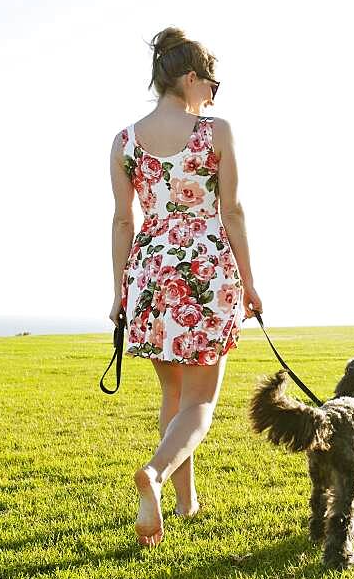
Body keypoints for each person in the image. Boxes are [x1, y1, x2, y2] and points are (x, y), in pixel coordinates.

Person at [108, 27, 263, 547]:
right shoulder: (215, 132)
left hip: (149, 274)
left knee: (172, 393)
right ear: (191, 78)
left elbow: (122, 223)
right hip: (205, 271)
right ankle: (153, 474)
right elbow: (233, 211)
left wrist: (118, 294)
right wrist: (250, 283)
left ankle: (185, 501)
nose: (215, 96)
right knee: (200, 403)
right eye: (212, 84)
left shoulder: (124, 141)